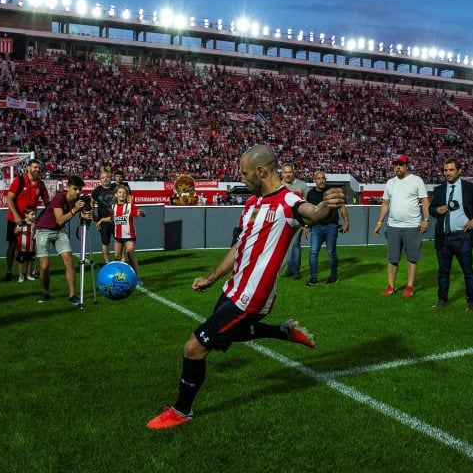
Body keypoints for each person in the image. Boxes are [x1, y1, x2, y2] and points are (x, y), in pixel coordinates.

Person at [146, 144, 347, 430]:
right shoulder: (252, 204)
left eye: (244, 173)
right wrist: (212, 277)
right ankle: (282, 331)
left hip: (252, 297)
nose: (242, 178)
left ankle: (182, 410)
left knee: (193, 347)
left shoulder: (288, 201)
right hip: (233, 289)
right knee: (225, 339)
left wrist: (327, 205)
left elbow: (312, 213)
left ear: (261, 171)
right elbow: (239, 246)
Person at [428, 158, 473, 311]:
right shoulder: (439, 189)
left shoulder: (470, 188)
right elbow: (431, 209)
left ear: (459, 171)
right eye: (445, 170)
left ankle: (472, 302)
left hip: (464, 237)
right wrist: (436, 210)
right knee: (443, 272)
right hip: (444, 237)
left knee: (468, 271)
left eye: (451, 170)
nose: (447, 173)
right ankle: (442, 300)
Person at [373, 154, 430, 297]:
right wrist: (379, 222)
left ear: (406, 166)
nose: (397, 167)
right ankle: (391, 286)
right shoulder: (390, 182)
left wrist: (426, 219)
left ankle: (409, 287)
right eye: (395, 164)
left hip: (412, 226)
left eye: (400, 164)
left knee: (412, 257)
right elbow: (385, 203)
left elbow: (424, 200)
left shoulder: (416, 180)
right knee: (392, 258)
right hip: (393, 226)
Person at [35, 175, 92, 305]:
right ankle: (45, 292)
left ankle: (72, 295)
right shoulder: (59, 198)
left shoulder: (78, 200)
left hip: (59, 231)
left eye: (80, 190)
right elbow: (60, 220)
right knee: (44, 265)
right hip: (43, 229)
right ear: (68, 187)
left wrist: (88, 212)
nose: (77, 192)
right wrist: (75, 210)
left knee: (69, 259)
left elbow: (89, 216)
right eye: (75, 189)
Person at [5, 159, 49, 281]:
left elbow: (47, 204)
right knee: (13, 245)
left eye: (38, 168)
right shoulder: (19, 181)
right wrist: (16, 216)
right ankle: (9, 271)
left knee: (31, 246)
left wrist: (42, 219)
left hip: (31, 221)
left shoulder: (40, 184)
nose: (37, 170)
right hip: (15, 220)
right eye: (35, 167)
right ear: (28, 168)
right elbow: (9, 199)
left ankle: (30, 272)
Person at [305, 171, 349, 285]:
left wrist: (346, 222)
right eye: (319, 178)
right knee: (313, 253)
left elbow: (342, 206)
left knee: (331, 253)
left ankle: (333, 277)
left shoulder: (332, 191)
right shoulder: (310, 194)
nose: (321, 180)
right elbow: (307, 211)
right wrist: (305, 225)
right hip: (316, 227)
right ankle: (313, 279)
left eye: (323, 178)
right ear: (314, 180)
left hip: (331, 226)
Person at [108, 184, 146, 283]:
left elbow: (136, 213)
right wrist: (101, 220)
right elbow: (111, 218)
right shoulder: (112, 207)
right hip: (118, 236)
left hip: (129, 236)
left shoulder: (130, 205)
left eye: (124, 193)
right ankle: (119, 277)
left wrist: (141, 213)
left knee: (130, 253)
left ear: (127, 195)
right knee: (117, 257)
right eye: (120, 192)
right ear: (116, 194)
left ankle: (138, 278)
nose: (122, 194)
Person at [280, 163, 309, 279]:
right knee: (286, 246)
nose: (288, 174)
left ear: (293, 172)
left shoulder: (301, 185)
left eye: (289, 172)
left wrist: (305, 224)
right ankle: (290, 269)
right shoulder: (277, 185)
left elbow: (308, 202)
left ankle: (296, 270)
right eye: (285, 172)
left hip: (297, 221)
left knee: (295, 244)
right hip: (281, 221)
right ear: (282, 173)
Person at [92, 170, 116, 264]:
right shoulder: (97, 190)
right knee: (105, 241)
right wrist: (92, 214)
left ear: (110, 178)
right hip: (103, 221)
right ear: (100, 180)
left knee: (120, 241)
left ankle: (122, 261)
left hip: (116, 219)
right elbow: (91, 203)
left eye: (107, 177)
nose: (105, 179)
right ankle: (107, 263)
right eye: (103, 177)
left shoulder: (116, 187)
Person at [14, 206, 38, 282]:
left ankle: (28, 275)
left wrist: (36, 235)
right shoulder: (21, 222)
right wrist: (18, 230)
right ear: (26, 215)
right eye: (32, 214)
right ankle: (21, 275)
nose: (34, 216)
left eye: (35, 214)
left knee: (30, 261)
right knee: (21, 262)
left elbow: (37, 231)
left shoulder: (34, 223)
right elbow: (15, 232)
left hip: (31, 247)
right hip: (22, 247)